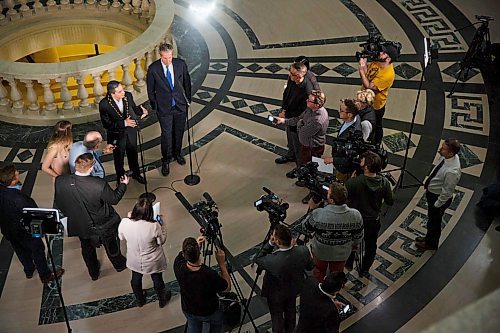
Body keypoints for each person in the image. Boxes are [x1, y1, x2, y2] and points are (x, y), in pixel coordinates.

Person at [54, 153, 128, 281]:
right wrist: (123, 184)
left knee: (87, 249)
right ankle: (119, 265)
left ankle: (93, 273)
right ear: (91, 168)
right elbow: (114, 199)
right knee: (112, 246)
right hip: (104, 225)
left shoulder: (60, 181)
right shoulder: (98, 184)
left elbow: (59, 203)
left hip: (80, 225)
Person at [0, 164, 65, 283]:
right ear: (13, 180)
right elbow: (33, 214)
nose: (18, 173)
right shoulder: (18, 198)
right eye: (16, 173)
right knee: (37, 250)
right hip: (24, 231)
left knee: (20, 250)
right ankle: (45, 275)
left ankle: (29, 270)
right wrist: (42, 230)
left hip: (8, 230)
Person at [255, 224, 313, 333]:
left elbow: (258, 258)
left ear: (277, 241)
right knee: (290, 311)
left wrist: (270, 243)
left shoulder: (273, 261)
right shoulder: (303, 250)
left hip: (275, 294)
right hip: (293, 289)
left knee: (277, 317)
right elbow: (310, 266)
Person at [344, 151, 394, 275]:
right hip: (373, 220)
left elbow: (344, 196)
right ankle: (365, 269)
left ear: (366, 167)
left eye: (362, 160)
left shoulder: (354, 182)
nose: (360, 161)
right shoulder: (384, 183)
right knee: (371, 246)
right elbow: (390, 201)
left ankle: (349, 262)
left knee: (352, 242)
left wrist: (350, 181)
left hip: (355, 219)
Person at [146, 42, 192, 176]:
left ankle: (177, 153)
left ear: (172, 54)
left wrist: (187, 99)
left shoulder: (180, 64)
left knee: (179, 131)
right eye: (165, 58)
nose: (168, 60)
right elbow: (150, 90)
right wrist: (156, 105)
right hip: (164, 108)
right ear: (160, 56)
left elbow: (187, 82)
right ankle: (166, 159)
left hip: (180, 105)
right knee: (166, 134)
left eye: (170, 57)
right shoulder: (153, 69)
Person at [303, 182, 363, 282]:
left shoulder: (318, 214)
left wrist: (312, 210)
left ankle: (319, 288)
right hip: (342, 253)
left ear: (331, 200)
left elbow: (305, 228)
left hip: (320, 251)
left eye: (328, 193)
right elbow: (359, 237)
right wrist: (353, 245)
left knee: (318, 271)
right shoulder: (355, 215)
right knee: (337, 273)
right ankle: (333, 290)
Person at [118, 197, 171, 308]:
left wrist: (129, 218)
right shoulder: (154, 226)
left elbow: (121, 237)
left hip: (135, 259)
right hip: (153, 260)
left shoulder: (124, 222)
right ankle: (162, 299)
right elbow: (161, 241)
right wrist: (163, 226)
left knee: (135, 279)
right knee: (157, 278)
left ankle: (140, 300)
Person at [174, 236, 230, 333]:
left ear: (184, 254)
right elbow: (226, 288)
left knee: (193, 328)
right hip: (210, 311)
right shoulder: (208, 274)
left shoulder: (178, 266)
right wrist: (222, 264)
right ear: (199, 253)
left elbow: (182, 255)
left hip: (189, 310)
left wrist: (193, 245)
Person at [415, 139, 462, 251]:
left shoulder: (452, 171)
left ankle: (431, 244)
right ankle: (428, 238)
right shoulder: (447, 158)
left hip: (437, 198)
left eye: (443, 149)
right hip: (433, 192)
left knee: (434, 222)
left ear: (451, 153)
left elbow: (447, 191)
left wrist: (437, 204)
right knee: (432, 220)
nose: (440, 149)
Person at [99, 80, 147, 184]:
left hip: (131, 132)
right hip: (116, 135)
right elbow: (107, 125)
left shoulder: (128, 96)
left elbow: (133, 109)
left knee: (133, 154)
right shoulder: (104, 104)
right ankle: (121, 179)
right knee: (119, 158)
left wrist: (141, 111)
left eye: (122, 90)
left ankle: (136, 174)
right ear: (112, 93)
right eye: (120, 91)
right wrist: (124, 123)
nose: (123, 92)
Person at [274, 90, 329, 175]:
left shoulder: (317, 120)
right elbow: (298, 119)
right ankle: (300, 170)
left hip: (313, 147)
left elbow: (302, 133)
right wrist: (283, 121)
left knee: (309, 165)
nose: (306, 100)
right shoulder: (309, 109)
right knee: (303, 161)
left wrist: (300, 123)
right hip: (306, 144)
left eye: (309, 100)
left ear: (317, 105)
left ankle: (305, 178)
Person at [274, 61, 314, 166]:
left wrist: (288, 118)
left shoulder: (307, 89)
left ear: (299, 75)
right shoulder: (292, 79)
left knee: (298, 144)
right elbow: (286, 94)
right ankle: (291, 155)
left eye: (291, 73)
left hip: (298, 120)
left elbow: (303, 111)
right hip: (289, 115)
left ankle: (300, 166)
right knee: (290, 139)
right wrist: (284, 110)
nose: (289, 74)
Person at [358, 44, 398, 145]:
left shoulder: (387, 75)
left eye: (384, 53)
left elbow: (369, 86)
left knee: (376, 126)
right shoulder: (378, 62)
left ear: (388, 59)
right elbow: (369, 74)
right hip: (366, 100)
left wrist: (361, 70)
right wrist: (364, 64)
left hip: (376, 105)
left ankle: (376, 143)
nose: (380, 53)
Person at [324, 99, 363, 181]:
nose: (338, 111)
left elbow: (350, 158)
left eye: (341, 111)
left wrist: (333, 160)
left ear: (349, 115)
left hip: (345, 170)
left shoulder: (355, 133)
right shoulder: (352, 118)